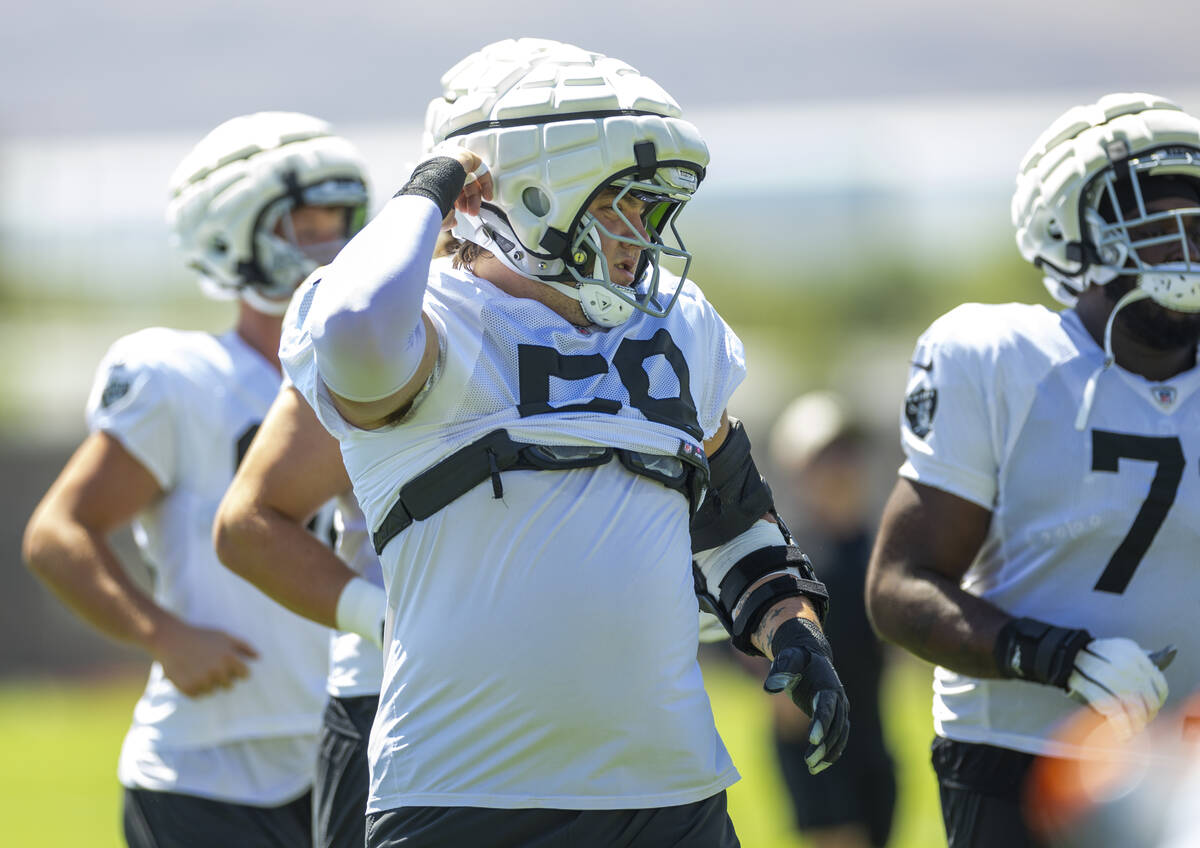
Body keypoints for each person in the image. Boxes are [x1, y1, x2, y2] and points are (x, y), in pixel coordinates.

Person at [279, 37, 850, 847]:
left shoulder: (678, 329)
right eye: (627, 204)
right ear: (538, 192)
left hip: (673, 796)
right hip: (466, 796)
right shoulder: (430, 325)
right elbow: (356, 324)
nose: (646, 237)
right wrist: (437, 184)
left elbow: (733, 517)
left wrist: (792, 627)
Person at [22, 111, 369, 847]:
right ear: (230, 236)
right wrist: (163, 634)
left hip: (354, 752)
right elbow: (57, 533)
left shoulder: (384, 373)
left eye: (341, 220)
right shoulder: (178, 379)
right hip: (206, 776)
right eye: (306, 224)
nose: (331, 244)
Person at [864, 91, 1200, 848]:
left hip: (1188, 770)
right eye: (1157, 224)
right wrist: (1055, 657)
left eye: (1198, 226)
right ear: (1071, 232)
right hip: (1022, 758)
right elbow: (898, 588)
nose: (1186, 246)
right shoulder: (999, 359)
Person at [214, 378, 387, 848]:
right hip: (393, 694)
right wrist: (389, 624)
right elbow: (246, 526)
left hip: (574, 699)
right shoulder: (401, 314)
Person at [765, 392, 896, 848]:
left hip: (874, 744)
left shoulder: (877, 550)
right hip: (818, 746)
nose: (843, 466)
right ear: (799, 467)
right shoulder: (787, 558)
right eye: (827, 455)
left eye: (849, 453)